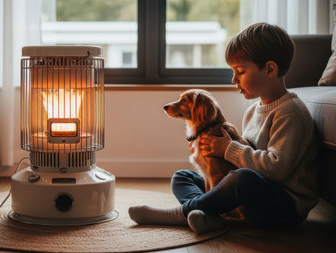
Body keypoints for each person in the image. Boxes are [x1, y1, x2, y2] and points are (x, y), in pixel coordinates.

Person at [128, 22, 318, 234]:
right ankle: (208, 215)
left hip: (285, 206)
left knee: (241, 179)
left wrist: (228, 149)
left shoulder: (289, 113)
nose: (234, 79)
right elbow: (248, 156)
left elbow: (276, 168)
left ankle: (180, 213)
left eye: (240, 71)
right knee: (183, 177)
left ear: (270, 69)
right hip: (254, 193)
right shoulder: (253, 110)